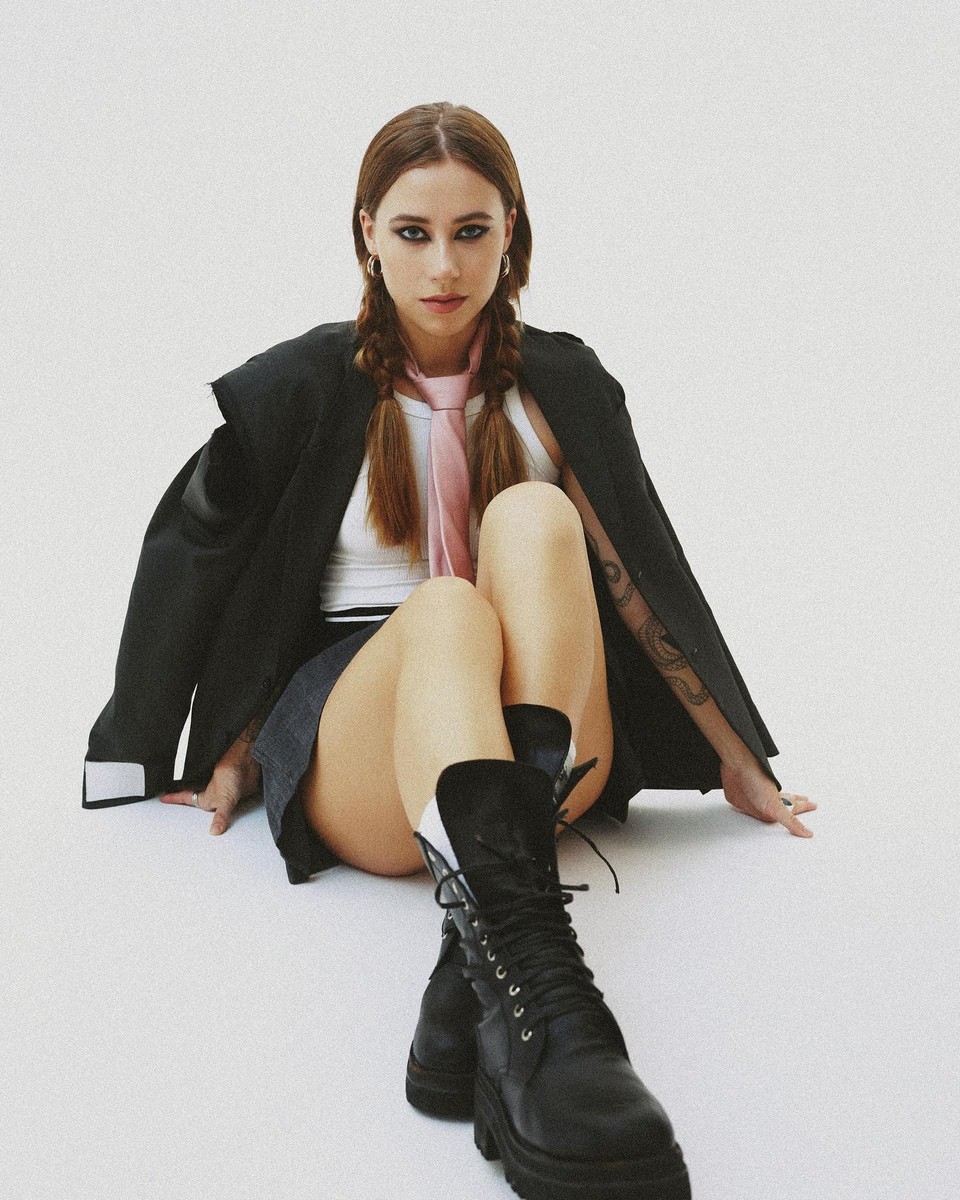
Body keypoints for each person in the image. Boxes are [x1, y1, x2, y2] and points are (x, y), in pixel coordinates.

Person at [83, 102, 814, 1200]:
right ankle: (543, 997)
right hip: (363, 727)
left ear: (512, 231)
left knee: (535, 518)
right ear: (366, 234)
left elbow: (639, 575)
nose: (443, 266)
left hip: (546, 732)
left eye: (472, 231)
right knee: (445, 611)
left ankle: (491, 970)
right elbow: (210, 564)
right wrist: (189, 751)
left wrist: (736, 758)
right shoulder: (303, 386)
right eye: (414, 232)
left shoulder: (560, 384)